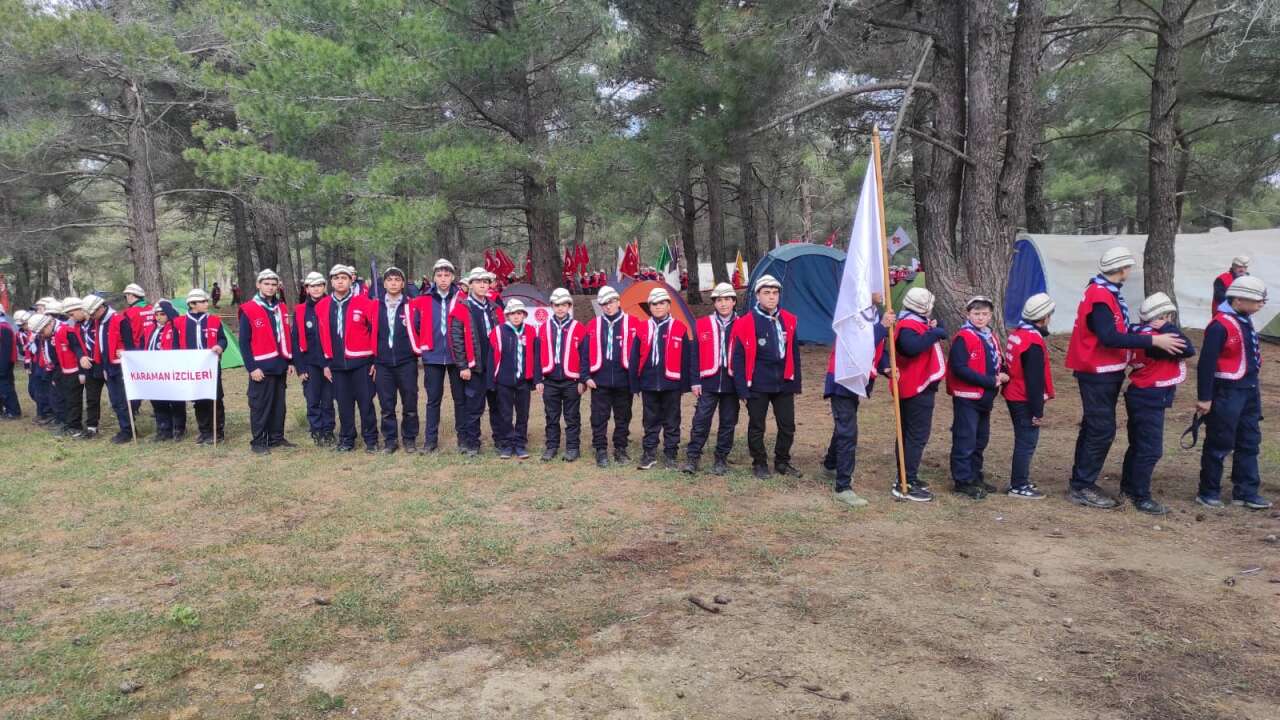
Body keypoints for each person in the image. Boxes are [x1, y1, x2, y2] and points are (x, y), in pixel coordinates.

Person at [1064, 247, 1186, 509]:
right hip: (1096, 371)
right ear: (1122, 269)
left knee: (1096, 428)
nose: (1129, 271)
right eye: (1129, 267)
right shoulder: (1099, 296)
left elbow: (1116, 330)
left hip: (1105, 370)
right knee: (1100, 429)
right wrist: (1153, 339)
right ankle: (1082, 486)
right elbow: (1109, 337)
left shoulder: (1105, 293)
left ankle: (1082, 481)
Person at [1118, 293, 1196, 515]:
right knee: (1150, 450)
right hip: (1149, 395)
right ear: (1164, 316)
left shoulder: (1140, 333)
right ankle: (1140, 496)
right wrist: (1167, 328)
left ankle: (1128, 489)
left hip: (1143, 394)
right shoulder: (1159, 338)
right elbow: (1188, 349)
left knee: (1138, 446)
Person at [1196, 276, 1269, 509]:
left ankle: (1245, 491)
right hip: (1227, 391)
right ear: (1238, 300)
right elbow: (1206, 364)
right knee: (1220, 440)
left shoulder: (1244, 319)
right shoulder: (1220, 325)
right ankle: (1208, 491)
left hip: (1248, 388)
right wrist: (1205, 397)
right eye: (1256, 300)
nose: (1261, 304)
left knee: (1249, 440)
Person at [820, 293, 891, 507]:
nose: (881, 290)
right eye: (875, 286)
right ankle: (843, 487)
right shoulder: (850, 313)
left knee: (844, 426)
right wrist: (882, 327)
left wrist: (885, 366)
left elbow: (877, 347)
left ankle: (830, 465)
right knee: (848, 431)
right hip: (843, 378)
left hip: (857, 379)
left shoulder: (873, 313)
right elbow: (857, 341)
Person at [731, 275, 803, 480]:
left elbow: (793, 354)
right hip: (757, 384)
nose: (772, 297)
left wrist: (795, 382)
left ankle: (782, 461)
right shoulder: (745, 323)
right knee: (757, 425)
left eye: (775, 293)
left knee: (787, 425)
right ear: (757, 296)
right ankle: (759, 462)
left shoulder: (789, 320)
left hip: (783, 383)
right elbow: (738, 358)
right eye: (767, 293)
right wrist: (742, 389)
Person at [945, 296, 1008, 501]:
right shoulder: (964, 337)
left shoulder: (990, 336)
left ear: (991, 316)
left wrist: (1004, 372)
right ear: (968, 314)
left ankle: (975, 475)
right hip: (968, 396)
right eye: (976, 314)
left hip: (985, 398)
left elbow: (996, 359)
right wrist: (989, 380)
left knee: (980, 439)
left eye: (984, 314)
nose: (980, 318)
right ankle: (962, 480)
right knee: (966, 438)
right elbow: (959, 368)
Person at [889, 287, 948, 502]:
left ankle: (907, 475)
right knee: (915, 436)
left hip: (917, 387)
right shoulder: (908, 326)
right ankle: (906, 480)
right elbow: (910, 348)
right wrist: (933, 334)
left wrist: (933, 329)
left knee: (910, 435)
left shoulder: (913, 323)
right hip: (915, 388)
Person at [316, 265, 378, 453]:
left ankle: (371, 439)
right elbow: (321, 336)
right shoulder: (322, 305)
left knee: (366, 402)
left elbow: (375, 332)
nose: (340, 281)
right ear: (331, 282)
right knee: (343, 404)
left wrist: (375, 360)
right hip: (336, 364)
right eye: (336, 278)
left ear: (351, 280)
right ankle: (346, 439)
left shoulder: (365, 302)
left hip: (361, 362)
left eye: (344, 277)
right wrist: (325, 363)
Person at [683, 283, 740, 476]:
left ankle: (721, 458)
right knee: (701, 419)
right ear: (714, 302)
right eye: (719, 300)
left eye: (727, 299)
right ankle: (693, 457)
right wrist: (695, 381)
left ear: (734, 301)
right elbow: (694, 355)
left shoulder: (743, 323)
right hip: (709, 380)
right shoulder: (702, 324)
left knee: (728, 421)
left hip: (732, 382)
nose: (723, 304)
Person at [1002, 293, 1056, 499]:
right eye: (1049, 315)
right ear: (1043, 317)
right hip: (1023, 398)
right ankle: (1019, 484)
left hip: (1014, 394)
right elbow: (1034, 381)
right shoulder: (1032, 343)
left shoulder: (1019, 333)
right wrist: (1037, 411)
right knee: (1026, 442)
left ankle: (1020, 481)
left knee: (1024, 440)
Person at [634, 287, 693, 470]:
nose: (658, 307)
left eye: (662, 303)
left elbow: (686, 359)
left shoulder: (680, 327)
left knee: (672, 420)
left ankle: (670, 454)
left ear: (669, 306)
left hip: (671, 383)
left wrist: (684, 385)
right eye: (654, 304)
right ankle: (649, 452)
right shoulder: (642, 328)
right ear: (649, 307)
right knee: (650, 419)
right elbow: (634, 357)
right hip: (649, 382)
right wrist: (635, 383)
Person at [581, 285, 639, 468]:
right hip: (600, 381)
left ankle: (620, 448)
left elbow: (641, 353)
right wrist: (585, 376)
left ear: (618, 301)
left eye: (611, 302)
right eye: (604, 304)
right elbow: (584, 354)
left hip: (624, 379)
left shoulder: (634, 323)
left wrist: (636, 378)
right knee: (599, 417)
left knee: (623, 416)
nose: (608, 306)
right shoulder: (592, 325)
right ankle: (600, 449)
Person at [449, 267, 504, 456]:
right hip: (475, 367)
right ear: (470, 285)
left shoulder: (495, 308)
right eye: (478, 282)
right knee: (474, 408)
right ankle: (472, 443)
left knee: (497, 406)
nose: (482, 285)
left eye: (486, 282)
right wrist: (463, 365)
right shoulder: (461, 308)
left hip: (494, 366)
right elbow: (456, 339)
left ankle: (500, 441)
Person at [239, 269, 294, 454]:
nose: (270, 288)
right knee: (260, 406)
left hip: (279, 365)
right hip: (261, 368)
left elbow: (286, 335)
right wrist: (251, 367)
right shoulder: (249, 308)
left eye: (273, 284)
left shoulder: (280, 307)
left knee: (279, 406)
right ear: (258, 285)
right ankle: (259, 442)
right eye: (266, 284)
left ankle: (276, 437)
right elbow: (244, 343)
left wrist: (290, 360)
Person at [412, 259, 463, 453]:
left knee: (460, 399)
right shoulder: (424, 299)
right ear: (433, 277)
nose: (443, 279)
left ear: (452, 277)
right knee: (433, 399)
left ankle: (463, 438)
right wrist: (424, 347)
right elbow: (416, 325)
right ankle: (430, 441)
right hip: (432, 356)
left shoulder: (460, 299)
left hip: (455, 356)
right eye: (439, 275)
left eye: (447, 275)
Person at [373, 266, 420, 454]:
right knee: (386, 404)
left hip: (406, 361)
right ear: (384, 283)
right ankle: (390, 440)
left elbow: (419, 330)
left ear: (403, 283)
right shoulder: (375, 306)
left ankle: (409, 439)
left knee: (410, 402)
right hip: (383, 363)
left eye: (397, 280)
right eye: (389, 280)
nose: (393, 283)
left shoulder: (411, 305)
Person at [536, 288, 587, 462]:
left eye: (564, 305)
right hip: (550, 380)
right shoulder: (543, 328)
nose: (560, 308)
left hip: (571, 380)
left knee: (572, 417)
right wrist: (538, 379)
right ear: (552, 306)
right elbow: (537, 356)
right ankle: (552, 446)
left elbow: (584, 356)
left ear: (569, 306)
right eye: (556, 305)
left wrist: (583, 379)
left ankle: (573, 448)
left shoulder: (578, 328)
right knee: (551, 416)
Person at [489, 299, 541, 459]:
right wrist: (491, 381)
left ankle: (519, 443)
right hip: (504, 380)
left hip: (523, 380)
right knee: (505, 413)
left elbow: (536, 357)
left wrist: (537, 379)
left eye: (519, 313)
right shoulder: (498, 332)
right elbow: (492, 358)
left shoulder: (531, 331)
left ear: (524, 315)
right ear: (507, 315)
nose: (516, 316)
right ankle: (506, 444)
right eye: (513, 313)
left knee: (522, 414)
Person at [176, 288, 228, 444]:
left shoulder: (214, 320)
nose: (207, 303)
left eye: (206, 301)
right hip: (192, 368)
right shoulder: (180, 322)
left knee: (215, 397)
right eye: (203, 301)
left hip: (211, 366)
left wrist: (220, 346)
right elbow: (175, 344)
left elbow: (223, 339)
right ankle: (204, 431)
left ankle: (217, 432)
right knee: (198, 398)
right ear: (192, 304)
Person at [83, 293, 136, 443]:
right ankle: (125, 427)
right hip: (107, 365)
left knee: (120, 400)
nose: (91, 316)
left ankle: (128, 430)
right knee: (115, 400)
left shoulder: (119, 320)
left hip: (119, 366)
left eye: (93, 313)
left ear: (101, 307)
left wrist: (125, 352)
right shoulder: (99, 322)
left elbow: (130, 345)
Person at [293, 272, 335, 446]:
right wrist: (300, 368)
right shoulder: (301, 310)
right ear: (307, 289)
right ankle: (316, 430)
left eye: (319, 285)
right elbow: (295, 340)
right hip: (310, 363)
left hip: (330, 363)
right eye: (312, 286)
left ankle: (328, 430)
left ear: (325, 287)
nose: (316, 289)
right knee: (313, 399)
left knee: (328, 399)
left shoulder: (333, 306)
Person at [143, 300, 188, 442]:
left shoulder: (175, 326)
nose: (159, 317)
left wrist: (164, 304)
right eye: (156, 314)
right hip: (154, 371)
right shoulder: (150, 329)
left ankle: (179, 428)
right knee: (158, 400)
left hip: (171, 369)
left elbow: (175, 316)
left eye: (162, 314)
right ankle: (164, 428)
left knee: (175, 399)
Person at [52, 298, 88, 436]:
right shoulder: (63, 329)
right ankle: (70, 423)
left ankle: (75, 426)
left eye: (71, 314)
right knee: (69, 399)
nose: (70, 318)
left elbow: (78, 350)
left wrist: (81, 371)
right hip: (66, 371)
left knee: (74, 400)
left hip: (75, 370)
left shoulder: (68, 330)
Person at [0, 306, 22, 419]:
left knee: (5, 387)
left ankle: (13, 411)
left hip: (4, 363)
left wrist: (2, 367)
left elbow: (5, 350)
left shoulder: (3, 328)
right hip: (3, 361)